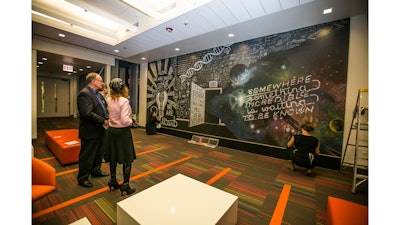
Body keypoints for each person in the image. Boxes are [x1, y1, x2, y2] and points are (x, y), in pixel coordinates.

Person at [105, 78, 137, 196]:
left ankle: (113, 180)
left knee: (113, 158)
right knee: (127, 160)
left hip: (112, 131)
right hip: (123, 133)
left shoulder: (108, 99)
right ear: (123, 88)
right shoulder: (124, 101)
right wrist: (132, 121)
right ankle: (125, 185)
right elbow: (124, 120)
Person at [76, 72, 109, 188]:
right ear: (93, 81)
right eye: (100, 80)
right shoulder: (84, 94)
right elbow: (87, 114)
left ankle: (96, 171)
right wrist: (103, 121)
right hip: (90, 131)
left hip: (99, 130)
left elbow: (102, 109)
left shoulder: (97, 94)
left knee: (98, 153)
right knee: (87, 155)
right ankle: (83, 178)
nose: (102, 83)